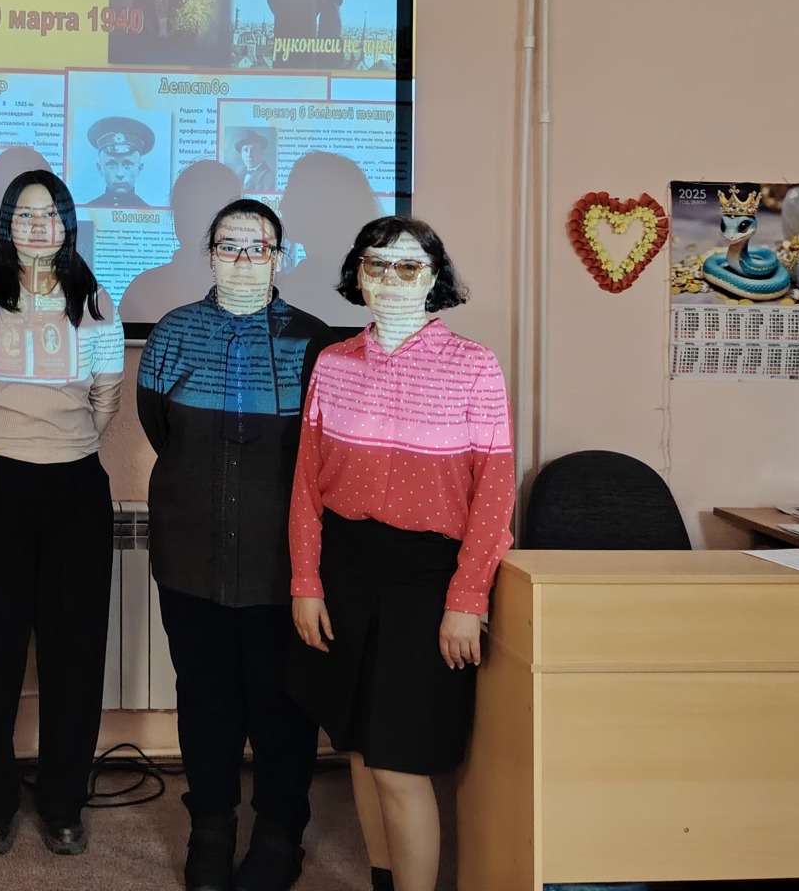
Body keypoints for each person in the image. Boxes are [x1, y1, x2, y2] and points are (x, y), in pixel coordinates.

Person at [288, 217, 515, 891]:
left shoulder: (474, 367)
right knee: (360, 748)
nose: (391, 280)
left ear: (434, 279)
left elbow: (495, 494)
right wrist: (306, 582)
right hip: (346, 569)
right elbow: (305, 485)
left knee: (398, 760)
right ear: (358, 275)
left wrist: (467, 598)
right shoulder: (333, 363)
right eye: (376, 264)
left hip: (428, 578)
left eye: (409, 266)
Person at [136, 198, 336, 891]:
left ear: (280, 257)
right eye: (229, 245)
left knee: (283, 703)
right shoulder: (174, 333)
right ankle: (212, 828)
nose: (244, 259)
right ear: (210, 253)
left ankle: (280, 833)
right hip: (190, 554)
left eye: (259, 247)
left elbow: (323, 454)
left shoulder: (314, 342)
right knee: (205, 698)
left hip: (282, 562)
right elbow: (160, 428)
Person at [0, 171, 123, 857]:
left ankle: (62, 802)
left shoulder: (95, 301)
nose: (37, 226)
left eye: (50, 214)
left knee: (73, 654)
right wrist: (6, 443)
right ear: (6, 225)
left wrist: (60, 445)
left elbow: (106, 399)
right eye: (24, 214)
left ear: (67, 224)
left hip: (74, 488)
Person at [84, 116, 155, 208]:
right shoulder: (87, 210)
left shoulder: (148, 212)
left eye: (127, 164)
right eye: (111, 164)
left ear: (139, 168)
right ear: (100, 168)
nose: (120, 174)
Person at [232, 130, 275, 195]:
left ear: (262, 152)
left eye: (254, 150)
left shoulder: (269, 177)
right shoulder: (239, 176)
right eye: (245, 150)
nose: (249, 154)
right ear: (241, 154)